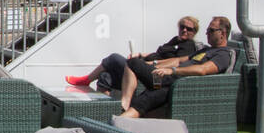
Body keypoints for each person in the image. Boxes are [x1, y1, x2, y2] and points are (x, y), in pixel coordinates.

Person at [119, 15, 236, 118]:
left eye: (211, 30)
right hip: (169, 83)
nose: (207, 33)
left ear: (223, 33)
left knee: (133, 63)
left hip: (180, 85)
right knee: (142, 99)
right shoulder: (206, 50)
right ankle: (117, 122)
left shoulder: (223, 54)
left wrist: (172, 71)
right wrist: (152, 64)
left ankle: (122, 110)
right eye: (207, 30)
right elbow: (178, 60)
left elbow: (203, 70)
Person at [65, 17, 202, 93]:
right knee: (105, 77)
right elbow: (158, 53)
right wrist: (140, 54)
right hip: (143, 65)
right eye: (182, 26)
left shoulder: (188, 45)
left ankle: (86, 80)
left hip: (152, 72)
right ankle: (104, 111)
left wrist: (148, 64)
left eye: (188, 29)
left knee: (113, 58)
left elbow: (176, 61)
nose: (184, 30)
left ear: (194, 32)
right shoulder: (175, 40)